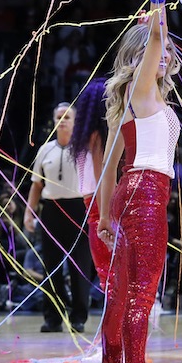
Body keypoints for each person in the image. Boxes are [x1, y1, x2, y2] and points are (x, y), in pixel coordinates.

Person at [97, 0, 182, 363]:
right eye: (159, 50)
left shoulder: (134, 99)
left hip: (133, 191)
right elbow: (155, 33)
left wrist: (105, 216)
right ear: (141, 55)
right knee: (142, 291)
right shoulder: (144, 89)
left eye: (170, 51)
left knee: (126, 288)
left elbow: (112, 164)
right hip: (148, 192)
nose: (165, 54)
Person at [24, 102, 90, 333]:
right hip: (51, 210)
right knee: (50, 267)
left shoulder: (85, 150)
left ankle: (78, 318)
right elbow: (36, 185)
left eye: (67, 117)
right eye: (59, 117)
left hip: (78, 210)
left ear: (75, 121)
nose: (62, 121)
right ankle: (52, 318)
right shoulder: (45, 150)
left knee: (79, 266)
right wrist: (28, 213)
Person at [70, 77, 112, 289]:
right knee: (112, 272)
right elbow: (101, 174)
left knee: (107, 274)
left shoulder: (82, 137)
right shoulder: (98, 136)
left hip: (91, 204)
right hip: (101, 204)